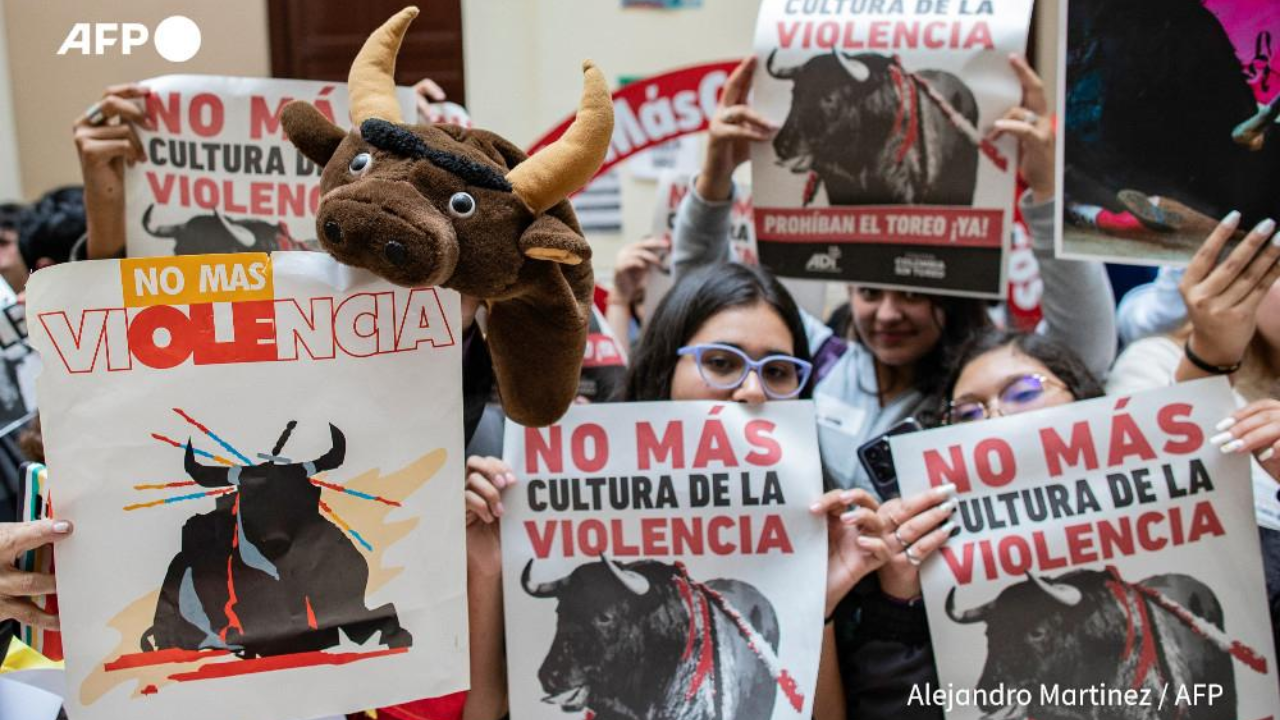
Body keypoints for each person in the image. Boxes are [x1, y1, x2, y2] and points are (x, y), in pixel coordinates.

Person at [462, 263, 923, 719]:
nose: (751, 390)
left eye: (779, 371)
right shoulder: (549, 500)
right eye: (721, 363)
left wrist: (814, 603)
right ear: (666, 368)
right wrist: (486, 565)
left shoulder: (834, 535)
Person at [671, 53, 1117, 496]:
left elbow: (1085, 347)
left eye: (911, 294)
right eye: (868, 291)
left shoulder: (978, 393)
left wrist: (1047, 195)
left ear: (952, 292)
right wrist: (714, 180)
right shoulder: (817, 363)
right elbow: (703, 300)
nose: (886, 314)